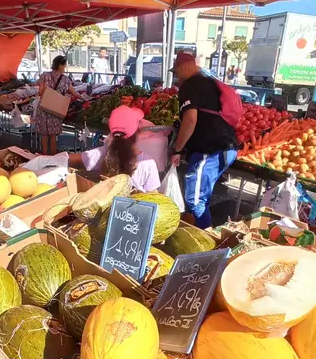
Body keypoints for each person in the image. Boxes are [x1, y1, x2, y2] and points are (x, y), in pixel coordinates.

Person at [170, 52, 239, 229]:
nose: (177, 79)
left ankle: (206, 243)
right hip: (226, 147)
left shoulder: (190, 86)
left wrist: (178, 149)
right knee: (202, 196)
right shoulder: (209, 82)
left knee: (194, 199)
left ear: (185, 67)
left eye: (177, 73)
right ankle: (200, 232)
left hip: (210, 150)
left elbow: (190, 119)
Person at [68, 105, 160, 192]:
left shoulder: (100, 154)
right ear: (138, 132)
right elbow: (154, 197)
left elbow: (68, 159)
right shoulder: (148, 163)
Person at [34, 55, 83, 155]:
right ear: (60, 65)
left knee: (44, 134)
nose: (65, 68)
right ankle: (53, 157)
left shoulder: (44, 75)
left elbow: (40, 92)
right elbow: (74, 93)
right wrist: (84, 98)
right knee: (53, 135)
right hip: (56, 109)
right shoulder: (65, 79)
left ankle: (44, 157)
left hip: (44, 107)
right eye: (64, 66)